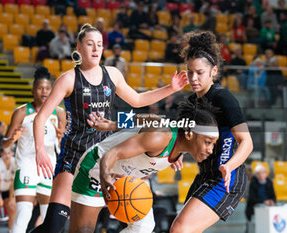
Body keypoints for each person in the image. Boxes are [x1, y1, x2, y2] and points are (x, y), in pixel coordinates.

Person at [31, 23, 187, 233]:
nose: (96, 49)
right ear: (78, 47)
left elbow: (138, 100)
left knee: (131, 220)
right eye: (90, 44)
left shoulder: (112, 74)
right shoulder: (68, 79)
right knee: (53, 226)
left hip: (105, 153)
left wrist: (171, 88)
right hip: (75, 153)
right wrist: (40, 150)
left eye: (99, 45)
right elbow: (40, 118)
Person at [69, 99, 219, 233]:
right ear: (189, 135)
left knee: (143, 227)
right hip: (97, 168)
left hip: (124, 178)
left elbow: (149, 118)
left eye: (213, 143)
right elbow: (112, 154)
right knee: (83, 230)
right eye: (207, 142)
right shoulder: (160, 136)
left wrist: (113, 124)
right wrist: (105, 174)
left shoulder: (181, 146)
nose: (211, 150)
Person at [170, 31, 253, 233]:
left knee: (179, 229)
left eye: (199, 72)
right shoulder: (190, 103)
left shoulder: (223, 98)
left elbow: (247, 143)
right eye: (189, 72)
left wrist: (229, 166)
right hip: (205, 175)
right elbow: (182, 140)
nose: (193, 78)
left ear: (213, 71)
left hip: (227, 179)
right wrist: (176, 153)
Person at [1, 67, 66, 233]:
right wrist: (11, 140)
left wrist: (61, 139)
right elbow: (4, 145)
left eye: (47, 88)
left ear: (52, 90)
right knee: (23, 213)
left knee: (48, 217)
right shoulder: (21, 112)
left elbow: (63, 146)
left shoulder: (59, 113)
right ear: (32, 90)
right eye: (40, 88)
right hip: (26, 166)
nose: (44, 91)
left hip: (48, 168)